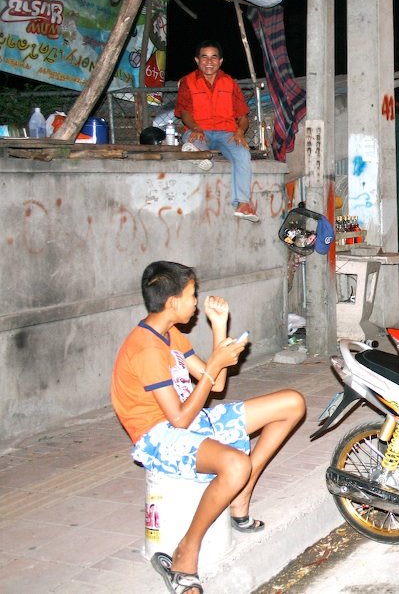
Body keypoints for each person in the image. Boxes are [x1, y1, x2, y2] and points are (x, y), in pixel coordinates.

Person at [111, 261, 305, 594]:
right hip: (158, 437)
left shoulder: (169, 334)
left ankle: (240, 497)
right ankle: (186, 551)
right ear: (172, 302)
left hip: (190, 421)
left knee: (292, 403)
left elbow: (214, 386)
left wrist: (219, 329)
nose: (196, 303)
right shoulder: (145, 348)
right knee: (235, 464)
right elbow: (179, 420)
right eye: (191, 295)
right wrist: (216, 363)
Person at [175, 40, 260, 222]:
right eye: (204, 57)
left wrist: (239, 132)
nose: (209, 61)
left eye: (214, 57)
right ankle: (197, 153)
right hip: (199, 131)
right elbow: (184, 113)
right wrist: (195, 127)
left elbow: (243, 116)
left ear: (220, 61)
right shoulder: (188, 82)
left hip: (226, 133)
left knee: (243, 154)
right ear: (197, 60)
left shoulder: (230, 83)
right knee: (194, 141)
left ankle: (243, 203)